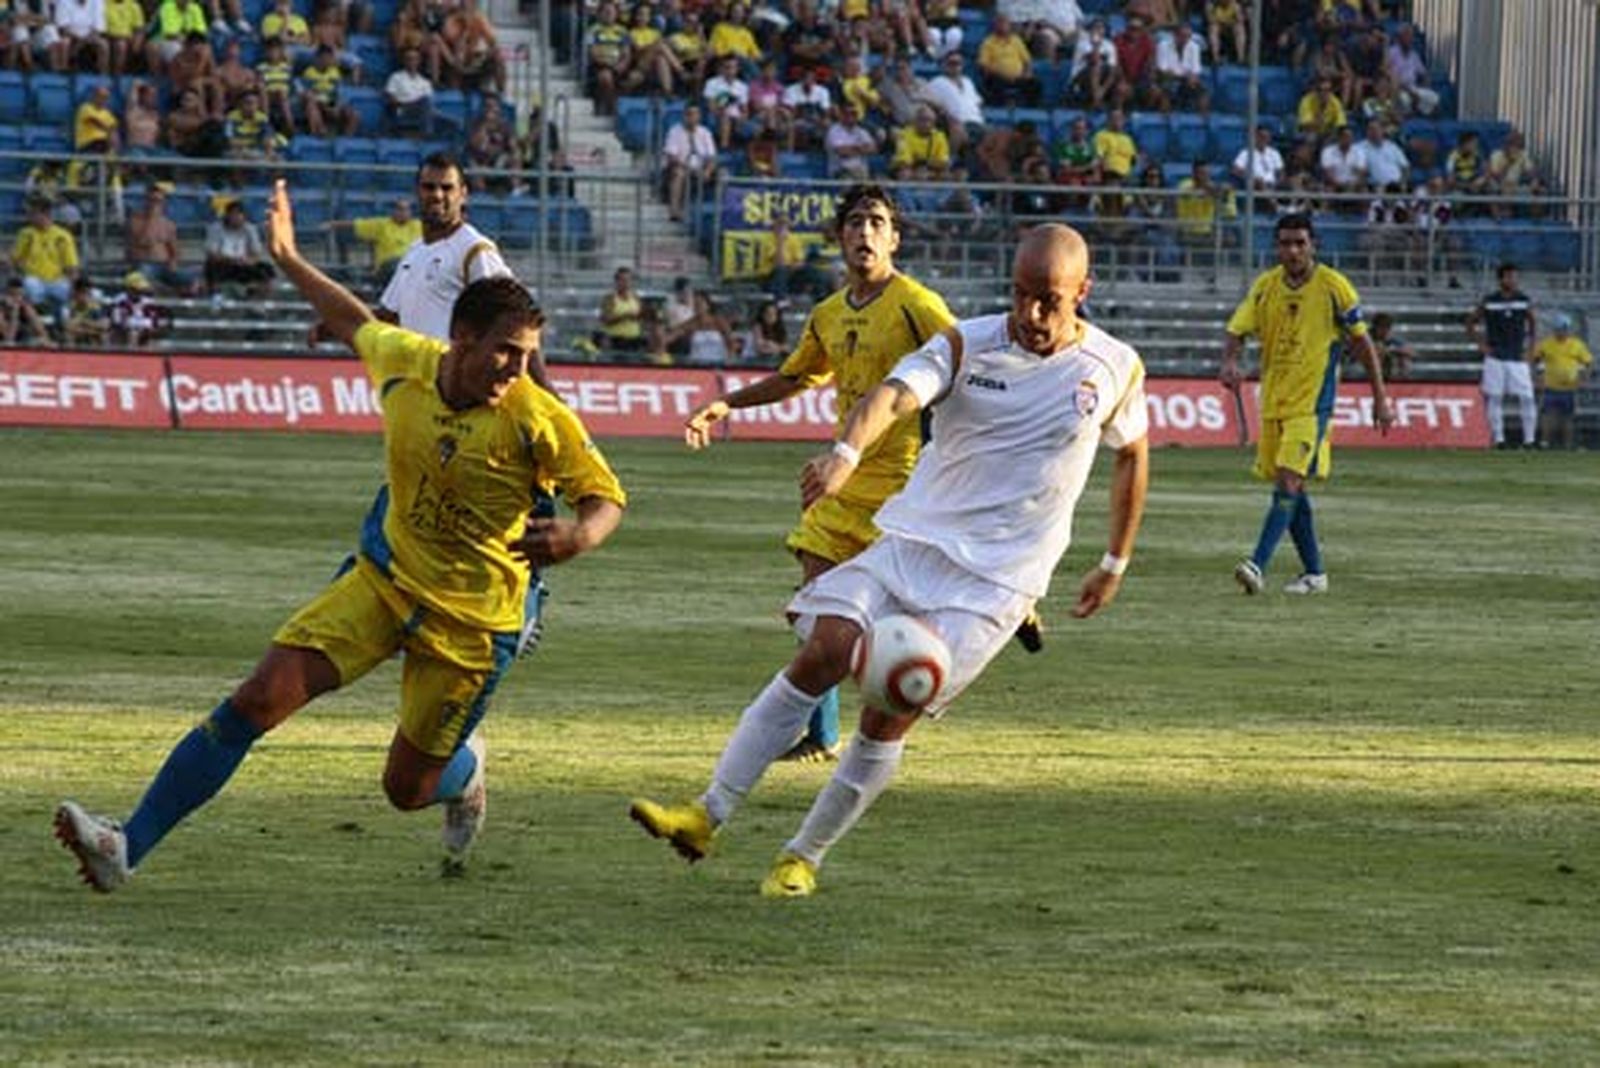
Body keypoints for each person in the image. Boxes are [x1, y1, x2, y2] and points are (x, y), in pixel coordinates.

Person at [54, 180, 627, 894]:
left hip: (474, 627)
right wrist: (288, 256)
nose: (519, 369)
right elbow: (350, 316)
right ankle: (125, 846)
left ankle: (467, 773)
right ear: (461, 338)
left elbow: (605, 498)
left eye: (527, 355)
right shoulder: (406, 364)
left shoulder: (537, 417)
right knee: (258, 699)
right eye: (507, 352)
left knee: (406, 789)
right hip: (383, 583)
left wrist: (582, 535)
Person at [631, 224, 1149, 897]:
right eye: (1020, 295)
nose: (1030, 314)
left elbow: (1133, 452)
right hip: (911, 544)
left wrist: (1115, 561)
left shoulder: (1112, 368)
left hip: (995, 583)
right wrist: (844, 456)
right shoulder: (968, 342)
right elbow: (895, 396)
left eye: (1048, 299)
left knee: (888, 704)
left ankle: (802, 856)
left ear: (1083, 291)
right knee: (823, 650)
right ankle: (705, 814)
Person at [677, 185, 956, 764]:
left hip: (901, 487)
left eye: (877, 222)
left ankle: (924, 679)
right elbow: (796, 376)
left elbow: (962, 366)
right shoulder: (828, 314)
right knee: (814, 602)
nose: (865, 232)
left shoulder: (917, 305)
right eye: (855, 222)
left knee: (902, 613)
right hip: (840, 478)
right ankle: (821, 731)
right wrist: (727, 403)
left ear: (895, 239)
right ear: (839, 238)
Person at [1220, 213, 1395, 597]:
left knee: (1288, 480)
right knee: (1290, 488)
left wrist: (1380, 397)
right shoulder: (1266, 287)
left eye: (1300, 242)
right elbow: (1236, 330)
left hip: (1312, 407)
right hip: (1273, 404)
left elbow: (1363, 345)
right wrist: (1230, 362)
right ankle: (1315, 573)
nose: (1293, 250)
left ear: (1313, 244)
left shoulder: (1334, 287)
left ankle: (1256, 564)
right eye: (1285, 243)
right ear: (1277, 247)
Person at [1466, 262, 1537, 449]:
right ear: (1501, 279)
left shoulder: (1523, 299)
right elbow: (1471, 322)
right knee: (1495, 397)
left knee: (1527, 397)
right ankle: (1499, 439)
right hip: (1495, 356)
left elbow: (1533, 323)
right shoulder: (1490, 300)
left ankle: (1529, 440)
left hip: (1517, 356)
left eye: (1515, 276)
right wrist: (1482, 345)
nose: (1513, 280)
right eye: (1509, 276)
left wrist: (1530, 348)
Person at [1531, 314, 1593, 450]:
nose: (1561, 332)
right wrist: (1538, 377)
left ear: (1568, 329)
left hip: (1570, 388)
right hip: (1550, 386)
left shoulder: (1577, 344)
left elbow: (1588, 363)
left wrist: (1583, 379)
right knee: (1548, 416)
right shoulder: (1546, 344)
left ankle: (1567, 445)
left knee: (1568, 417)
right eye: (1558, 329)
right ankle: (1544, 443)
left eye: (1563, 329)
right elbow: (1535, 360)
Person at [331, 197, 422, 285]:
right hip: (387, 268)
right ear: (393, 211)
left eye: (406, 209)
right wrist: (332, 224)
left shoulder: (418, 226)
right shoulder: (381, 225)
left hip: (411, 267)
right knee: (398, 266)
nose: (403, 213)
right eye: (400, 209)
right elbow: (354, 224)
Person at [10, 199, 79, 310]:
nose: (29, 217)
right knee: (30, 285)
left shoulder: (63, 236)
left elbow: (71, 266)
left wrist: (74, 286)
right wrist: (17, 268)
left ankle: (61, 317)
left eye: (33, 214)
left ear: (46, 214)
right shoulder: (25, 233)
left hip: (57, 280)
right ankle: (40, 312)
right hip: (33, 278)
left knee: (69, 290)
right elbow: (15, 259)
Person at [661, 103, 718, 223]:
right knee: (678, 174)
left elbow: (711, 157)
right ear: (684, 116)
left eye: (696, 114)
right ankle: (674, 211)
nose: (693, 117)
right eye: (690, 114)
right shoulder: (675, 131)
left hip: (700, 168)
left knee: (722, 174)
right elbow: (672, 156)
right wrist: (687, 168)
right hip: (681, 166)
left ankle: (717, 215)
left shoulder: (705, 133)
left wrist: (708, 170)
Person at [204, 200, 274, 297]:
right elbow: (212, 253)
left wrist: (249, 260)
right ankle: (215, 298)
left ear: (244, 216)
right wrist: (230, 260)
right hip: (223, 264)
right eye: (233, 214)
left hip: (243, 265)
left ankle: (257, 300)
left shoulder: (250, 229)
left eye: (239, 214)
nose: (236, 218)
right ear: (227, 215)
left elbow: (256, 252)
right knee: (210, 267)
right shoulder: (216, 229)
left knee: (267, 269)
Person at [109, 270, 169, 347]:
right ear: (129, 289)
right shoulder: (120, 300)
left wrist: (150, 329)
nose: (139, 292)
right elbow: (118, 322)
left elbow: (154, 321)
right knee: (133, 334)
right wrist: (137, 327)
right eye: (136, 290)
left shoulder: (148, 301)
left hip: (144, 331)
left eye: (140, 290)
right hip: (126, 333)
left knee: (154, 342)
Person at [597, 265, 645, 355]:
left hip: (634, 340)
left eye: (628, 280)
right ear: (616, 281)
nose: (626, 283)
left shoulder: (636, 297)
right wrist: (625, 316)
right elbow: (605, 320)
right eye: (622, 280)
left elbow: (641, 318)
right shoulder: (610, 298)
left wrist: (640, 316)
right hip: (616, 340)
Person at [1, 276, 55, 344]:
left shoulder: (25, 307)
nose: (17, 298)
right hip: (5, 342)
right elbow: (8, 340)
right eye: (13, 295)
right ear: (6, 295)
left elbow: (43, 334)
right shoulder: (2, 310)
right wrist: (14, 313)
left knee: (42, 341)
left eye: (19, 294)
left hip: (21, 341)